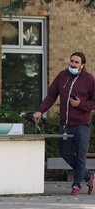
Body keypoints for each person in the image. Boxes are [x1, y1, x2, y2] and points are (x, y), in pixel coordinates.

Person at [33, 52, 95, 195]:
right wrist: (40, 111)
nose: (73, 64)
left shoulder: (89, 79)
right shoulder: (62, 76)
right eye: (71, 61)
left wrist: (81, 105)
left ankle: (77, 185)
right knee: (64, 152)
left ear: (82, 65)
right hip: (65, 124)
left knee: (80, 155)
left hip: (82, 124)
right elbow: (51, 96)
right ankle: (87, 175)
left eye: (76, 62)